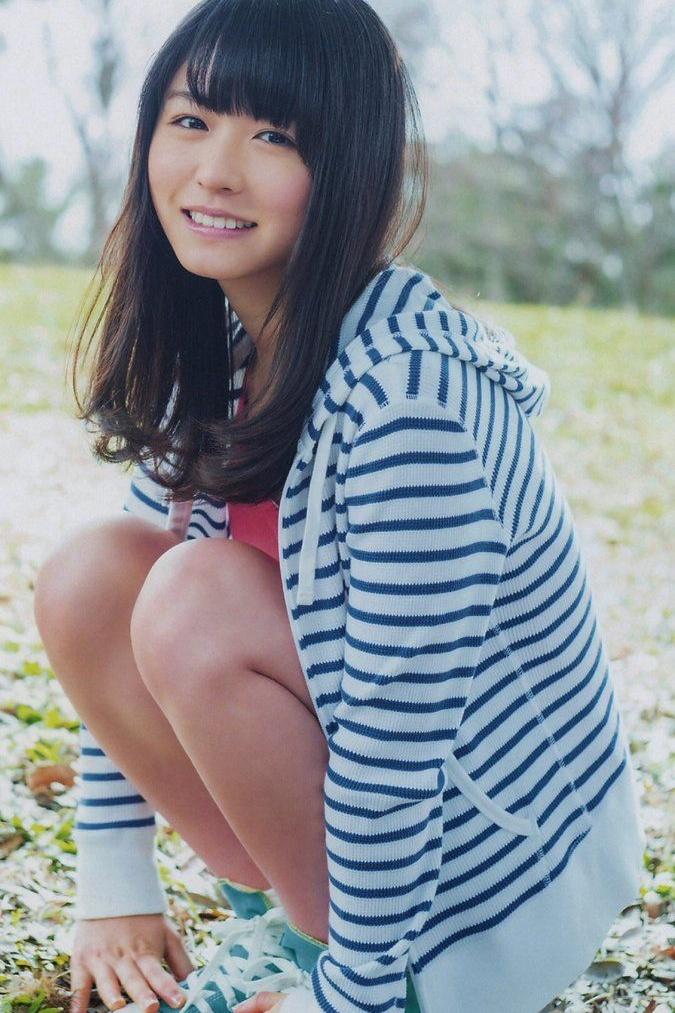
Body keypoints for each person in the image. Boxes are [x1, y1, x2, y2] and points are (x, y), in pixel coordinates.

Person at [33, 1, 646, 1012]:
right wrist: (114, 886)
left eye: (274, 136)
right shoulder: (222, 350)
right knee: (96, 574)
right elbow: (122, 615)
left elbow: (398, 736)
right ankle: (290, 923)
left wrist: (353, 994)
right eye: (191, 120)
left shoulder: (409, 396)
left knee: (193, 599)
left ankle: (341, 960)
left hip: (491, 889)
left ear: (352, 168)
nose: (215, 171)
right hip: (370, 864)